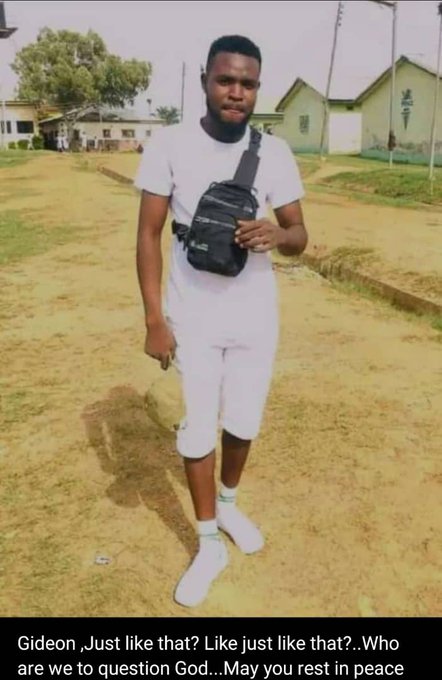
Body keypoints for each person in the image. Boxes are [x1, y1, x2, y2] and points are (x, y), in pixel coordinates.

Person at [134, 34, 308, 608]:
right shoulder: (170, 144)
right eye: (226, 80)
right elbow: (148, 235)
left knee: (243, 419)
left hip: (255, 313)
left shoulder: (274, 153)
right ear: (205, 80)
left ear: (258, 89)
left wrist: (278, 233)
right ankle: (208, 541)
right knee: (196, 426)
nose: (237, 92)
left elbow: (300, 235)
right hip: (193, 315)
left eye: (248, 84)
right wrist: (155, 318)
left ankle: (229, 505)